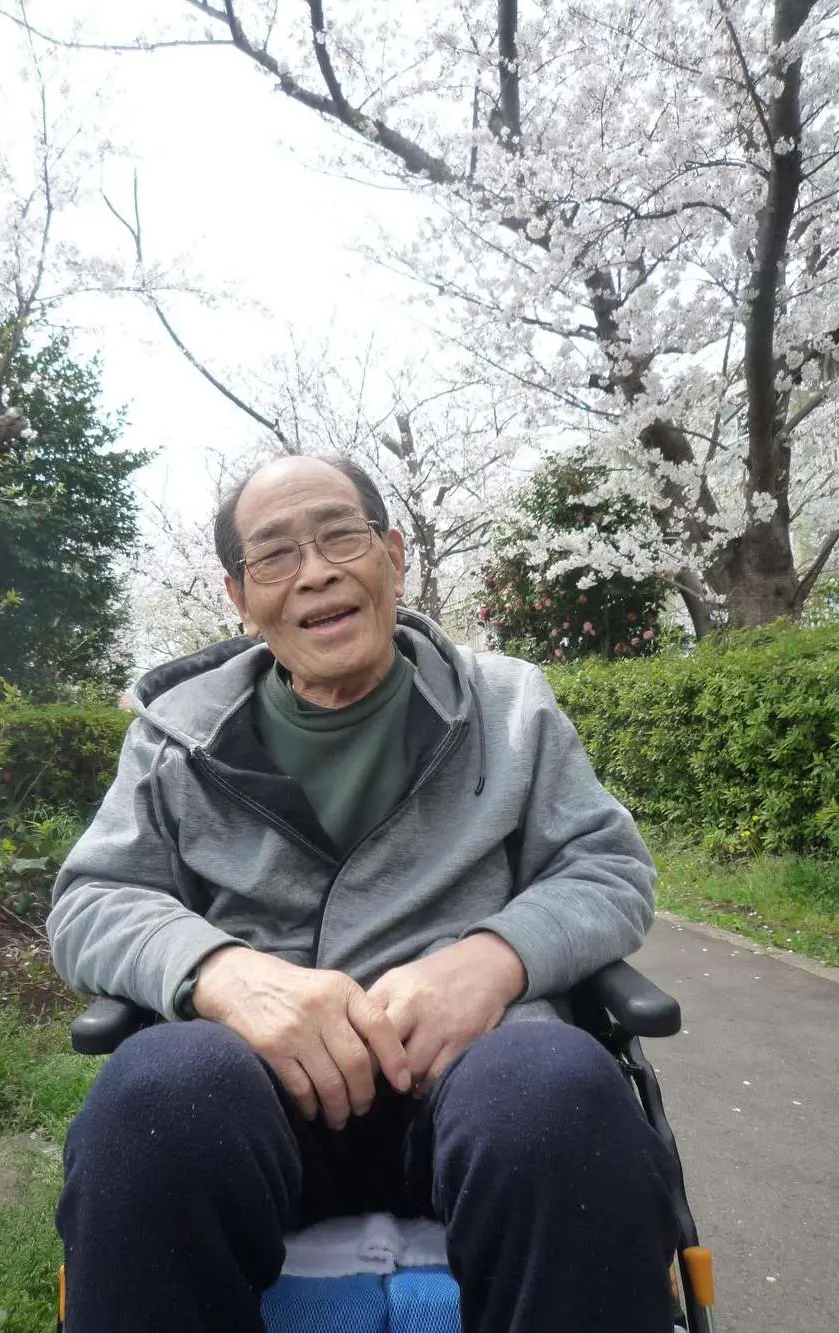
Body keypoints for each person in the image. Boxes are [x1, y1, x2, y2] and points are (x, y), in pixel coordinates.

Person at [49, 455, 677, 1333]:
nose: (315, 572)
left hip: (474, 1077)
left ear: (393, 555)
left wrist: (493, 960)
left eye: (340, 536)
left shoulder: (509, 706)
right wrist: (224, 973)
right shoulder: (174, 736)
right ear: (240, 596)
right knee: (156, 1096)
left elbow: (608, 867)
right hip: (259, 1091)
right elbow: (93, 898)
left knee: (558, 1091)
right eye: (275, 554)